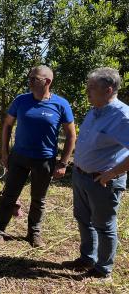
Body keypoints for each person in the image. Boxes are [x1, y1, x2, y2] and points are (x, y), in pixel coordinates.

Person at [0, 65, 76, 250]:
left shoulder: (60, 104)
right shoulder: (21, 101)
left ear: (47, 82)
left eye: (35, 79)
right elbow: (7, 125)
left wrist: (63, 162)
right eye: (30, 78)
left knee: (38, 199)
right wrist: (4, 152)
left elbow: (71, 135)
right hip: (19, 158)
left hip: (45, 160)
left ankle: (34, 233)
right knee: (9, 196)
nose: (30, 82)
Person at [62, 68, 128, 281]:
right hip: (81, 176)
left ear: (108, 90)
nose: (87, 91)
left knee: (104, 225)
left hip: (103, 181)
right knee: (83, 219)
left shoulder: (122, 116)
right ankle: (87, 258)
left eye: (92, 87)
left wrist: (113, 173)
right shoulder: (95, 109)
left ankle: (103, 269)